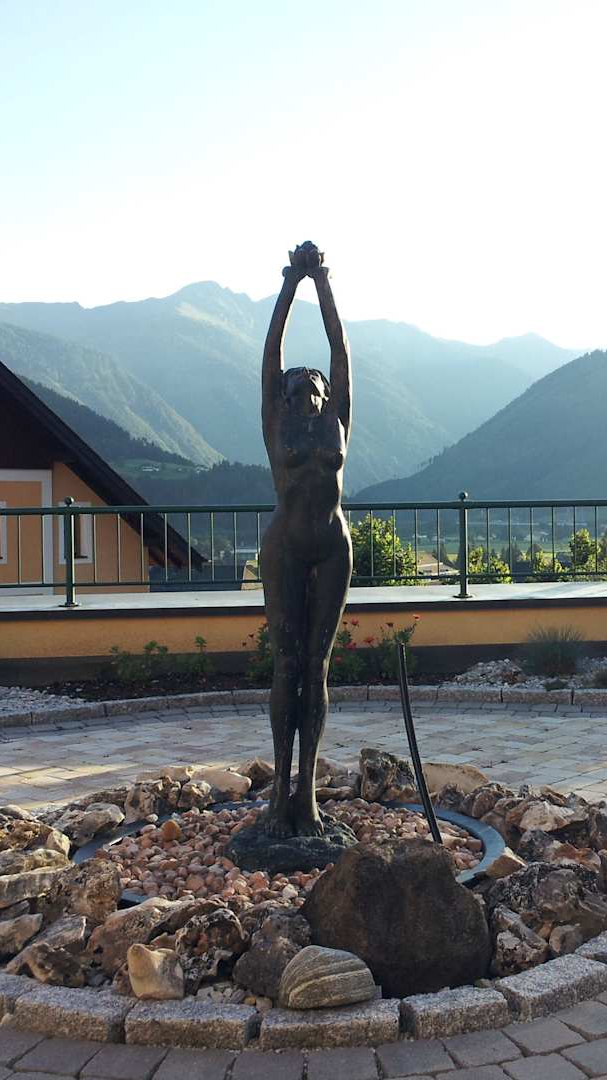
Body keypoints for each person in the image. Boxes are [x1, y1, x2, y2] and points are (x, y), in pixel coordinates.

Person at [257, 241, 352, 838]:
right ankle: (279, 792)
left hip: (333, 545)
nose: (308, 387)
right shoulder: (277, 422)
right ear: (286, 393)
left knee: (317, 667)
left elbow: (340, 350)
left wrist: (324, 283)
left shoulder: (336, 419)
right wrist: (291, 284)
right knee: (286, 663)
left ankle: (308, 792)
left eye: (315, 383)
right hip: (286, 548)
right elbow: (271, 352)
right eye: (297, 383)